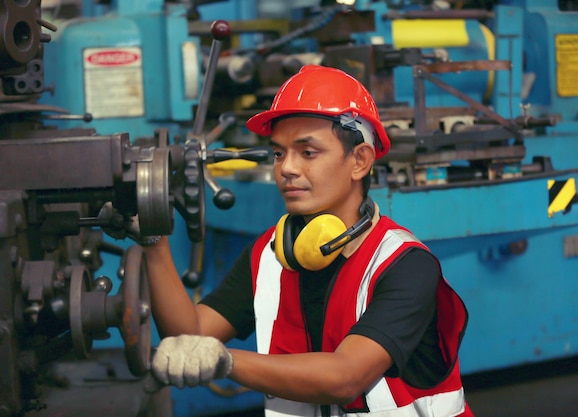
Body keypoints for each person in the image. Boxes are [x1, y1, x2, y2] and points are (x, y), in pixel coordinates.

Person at [142, 65, 474, 416]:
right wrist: (153, 241)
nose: (286, 168)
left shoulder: (405, 265)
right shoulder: (269, 255)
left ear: (360, 160)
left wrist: (224, 361)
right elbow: (190, 336)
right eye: (278, 153)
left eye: (307, 152)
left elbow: (346, 376)